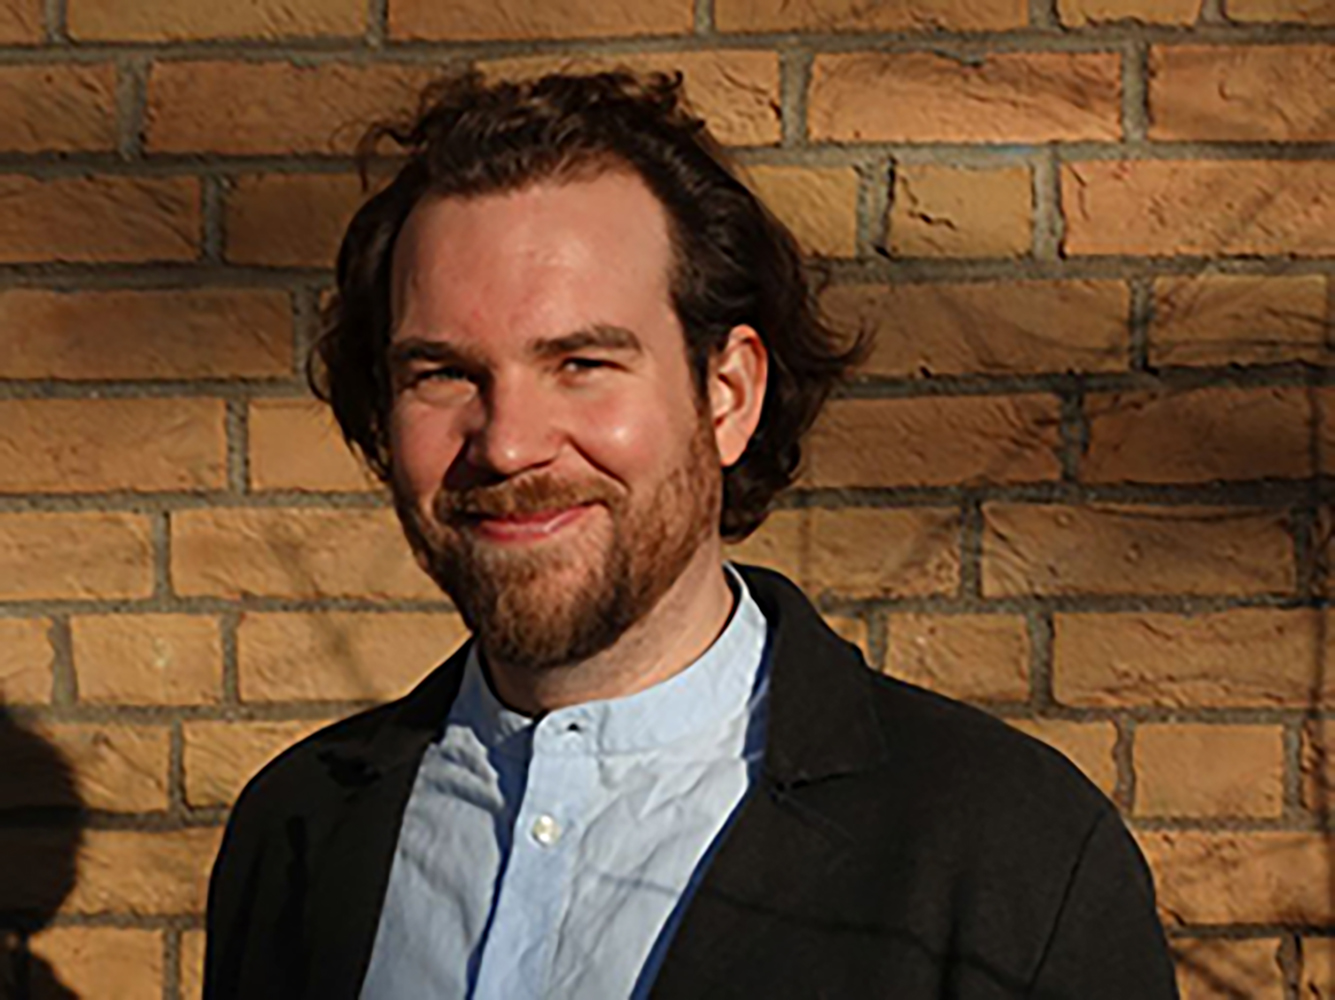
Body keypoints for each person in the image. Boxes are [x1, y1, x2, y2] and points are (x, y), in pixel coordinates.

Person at [203, 70, 1179, 1000]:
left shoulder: (1006, 858)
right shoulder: (299, 831)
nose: (508, 443)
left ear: (729, 393)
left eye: (581, 363)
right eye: (443, 374)